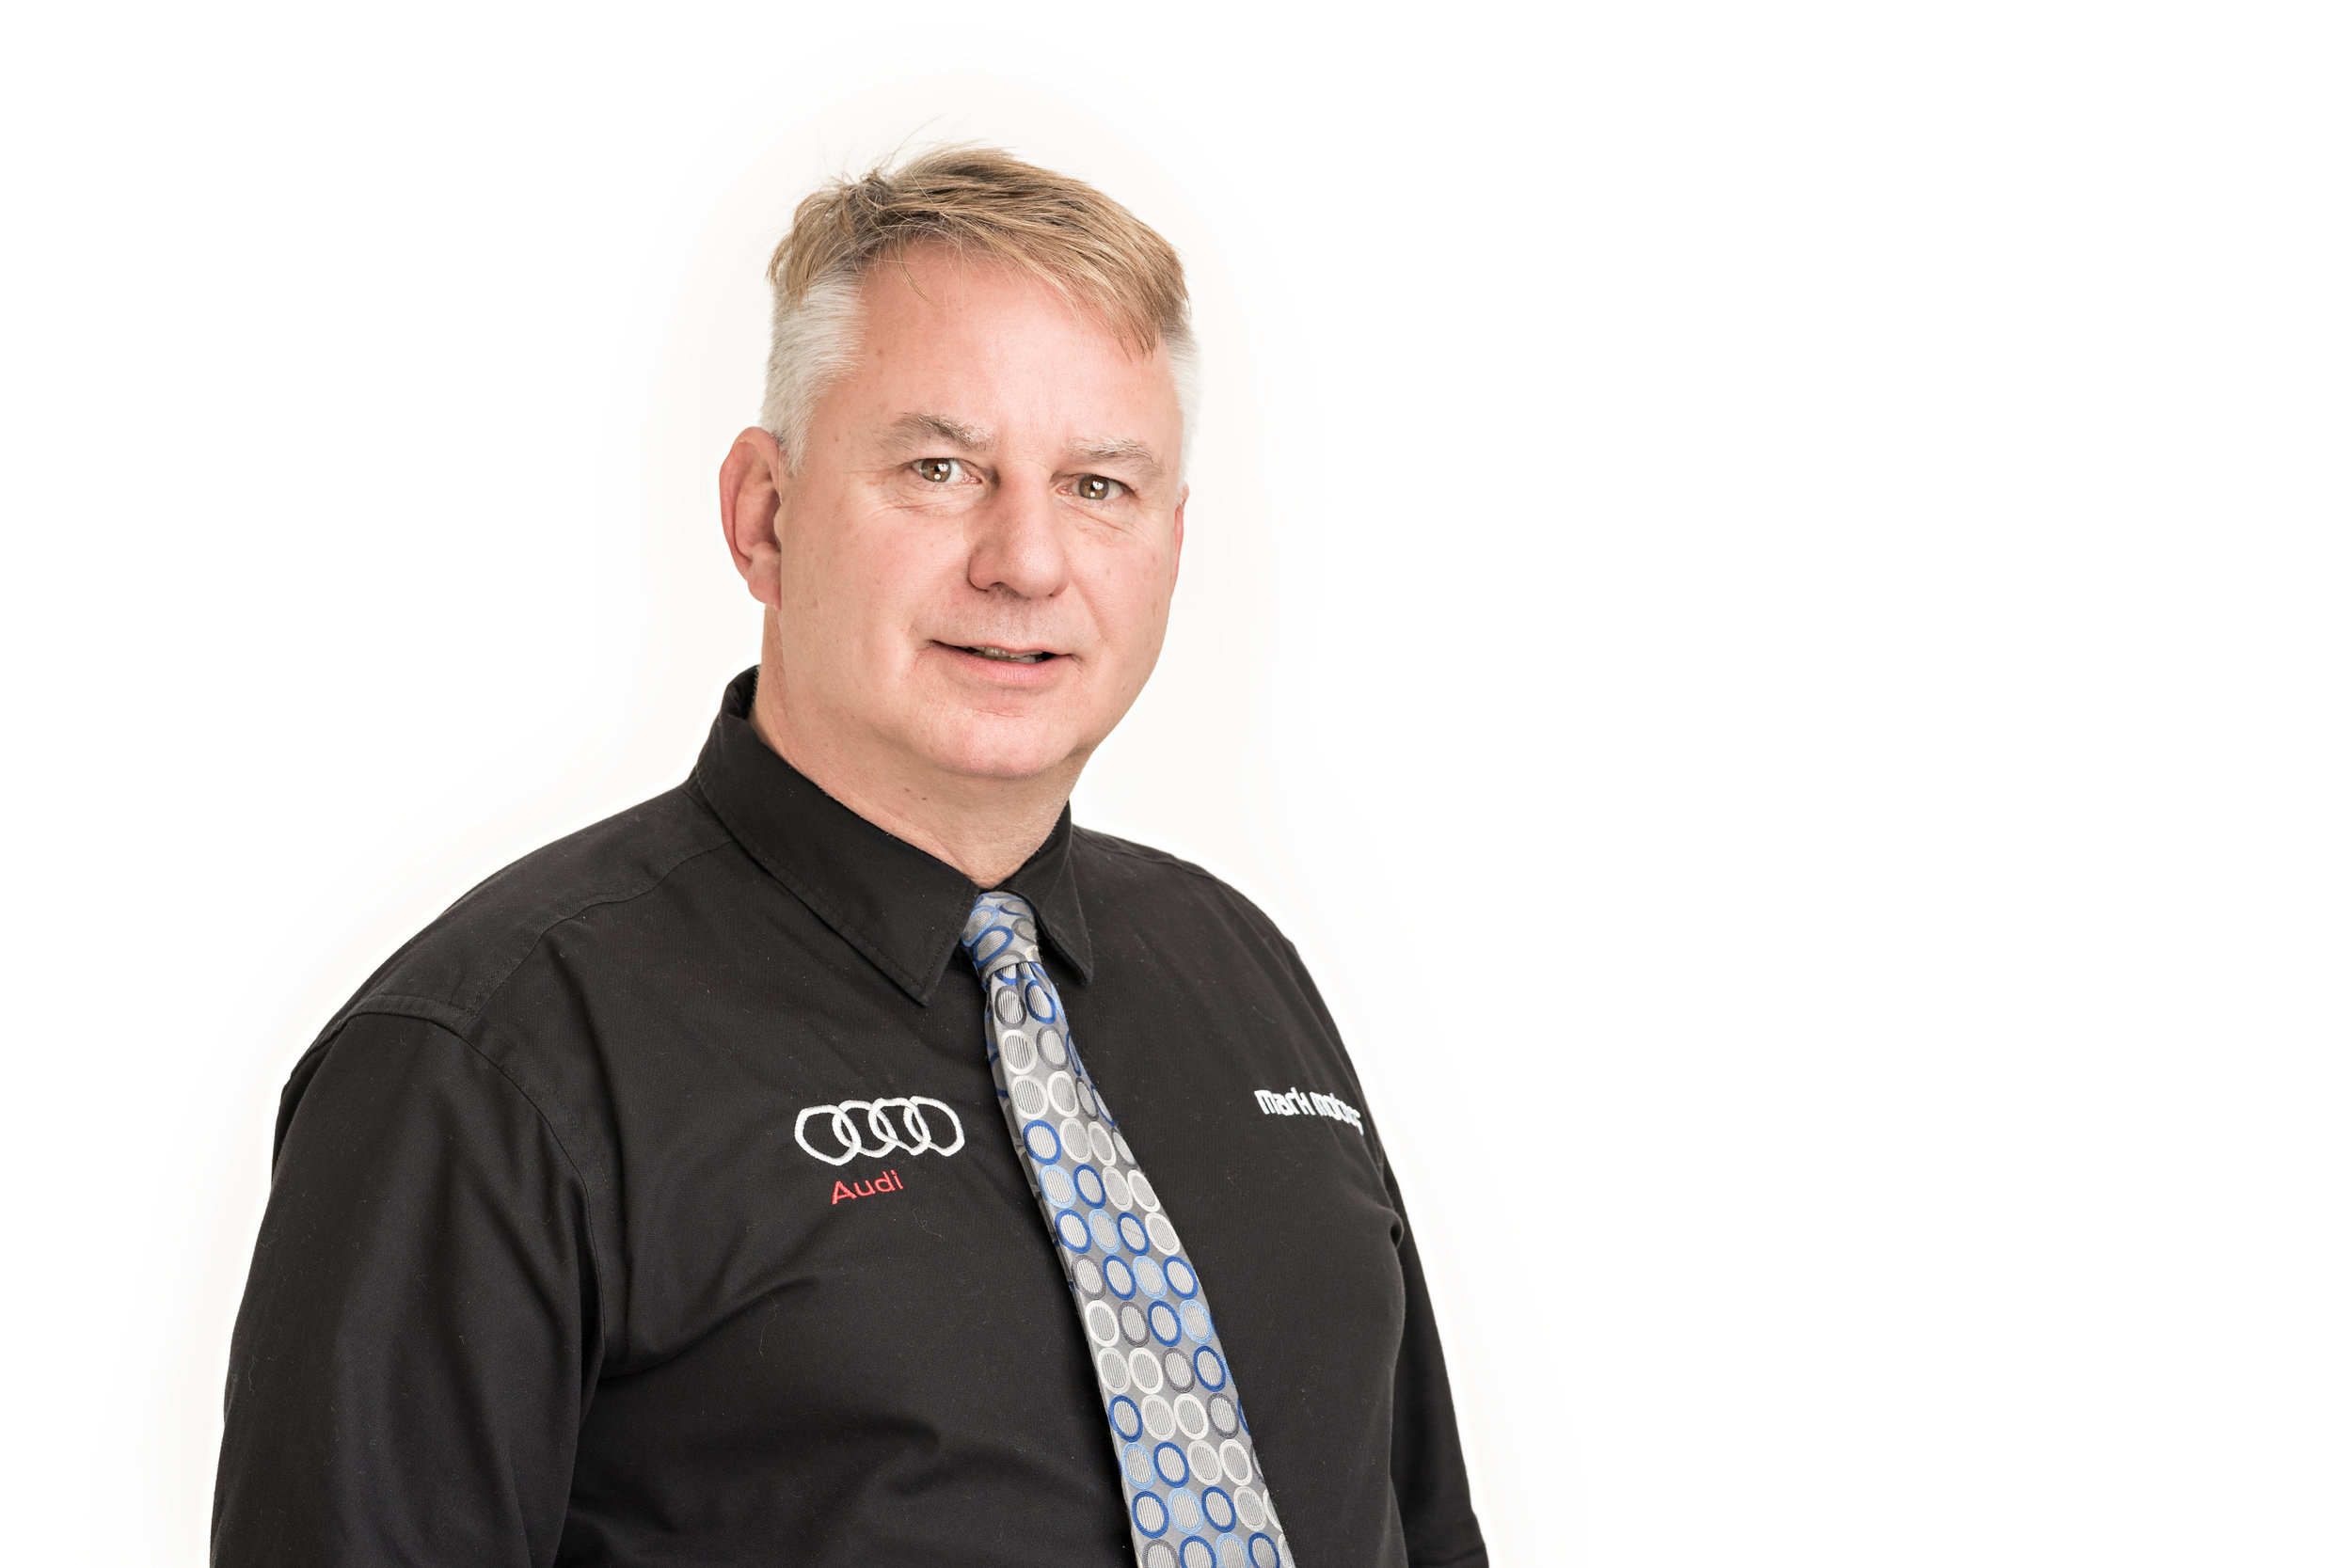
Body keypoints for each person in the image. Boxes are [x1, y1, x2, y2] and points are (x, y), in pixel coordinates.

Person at [213, 147, 1486, 1568]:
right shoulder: (489, 1064)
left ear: (1173, 539)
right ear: (764, 513)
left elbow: (1422, 1526)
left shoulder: (1237, 967)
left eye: (1099, 486)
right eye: (940, 469)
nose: (1026, 561)